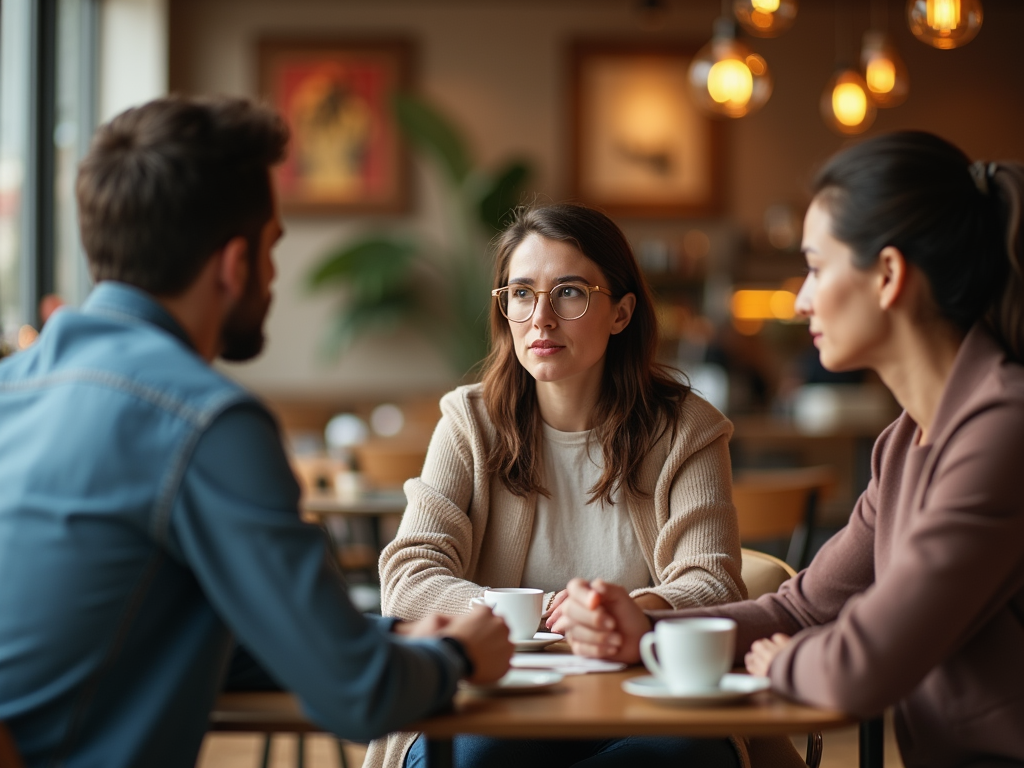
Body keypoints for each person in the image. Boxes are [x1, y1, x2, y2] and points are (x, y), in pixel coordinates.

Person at [0, 96, 513, 768]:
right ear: (235, 263)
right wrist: (457, 655)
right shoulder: (206, 421)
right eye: (273, 248)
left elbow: (164, 632)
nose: (273, 275)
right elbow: (357, 697)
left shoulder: (19, 384)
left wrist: (403, 630)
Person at [558, 132, 1024, 768]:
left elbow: (863, 665)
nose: (801, 299)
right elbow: (805, 607)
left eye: (816, 267)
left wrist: (789, 663)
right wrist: (648, 632)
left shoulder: (1004, 430)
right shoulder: (906, 444)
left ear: (888, 275)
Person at [368, 203, 750, 768]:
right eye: (521, 293)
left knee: (688, 758)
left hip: (644, 701)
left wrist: (631, 615)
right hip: (498, 700)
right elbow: (407, 579)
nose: (540, 318)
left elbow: (714, 584)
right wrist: (544, 614)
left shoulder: (686, 430)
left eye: (569, 292)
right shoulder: (470, 423)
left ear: (621, 313)